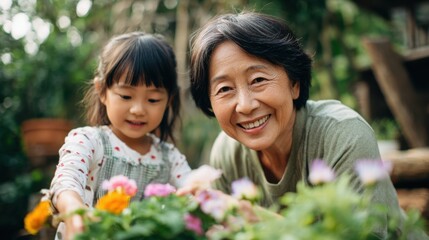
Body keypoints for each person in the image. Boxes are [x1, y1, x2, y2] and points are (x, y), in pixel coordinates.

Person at [189, 12, 421, 239]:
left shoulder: (343, 134)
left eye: (258, 80)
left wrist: (253, 216)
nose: (245, 106)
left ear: (295, 84)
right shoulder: (227, 152)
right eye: (224, 89)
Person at [47, 32, 191, 240]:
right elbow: (66, 180)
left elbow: (193, 186)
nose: (138, 109)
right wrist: (74, 210)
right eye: (126, 96)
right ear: (102, 91)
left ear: (169, 100)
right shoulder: (88, 141)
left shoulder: (170, 157)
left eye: (152, 99)